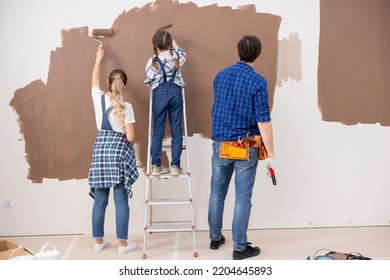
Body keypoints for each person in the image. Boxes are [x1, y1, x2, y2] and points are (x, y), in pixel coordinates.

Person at [208, 35, 278, 260]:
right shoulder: (258, 82)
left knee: (217, 193)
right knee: (242, 198)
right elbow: (263, 120)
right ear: (257, 55)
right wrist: (271, 155)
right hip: (245, 147)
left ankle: (215, 238)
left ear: (237, 51)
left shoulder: (220, 76)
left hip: (221, 145)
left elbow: (224, 107)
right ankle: (239, 248)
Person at [88, 46, 139, 254]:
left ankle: (98, 242)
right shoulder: (126, 107)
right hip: (118, 153)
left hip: (100, 151)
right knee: (120, 201)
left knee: (100, 200)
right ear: (124, 85)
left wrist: (98, 58)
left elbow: (93, 81)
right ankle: (123, 245)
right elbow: (131, 137)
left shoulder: (98, 98)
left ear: (109, 82)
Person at [144, 24, 186, 176]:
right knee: (176, 130)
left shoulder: (151, 62)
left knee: (158, 132)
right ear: (169, 44)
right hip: (176, 93)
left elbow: (149, 78)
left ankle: (156, 166)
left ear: (155, 45)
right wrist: (174, 43)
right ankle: (175, 166)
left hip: (160, 95)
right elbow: (183, 54)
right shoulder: (177, 58)